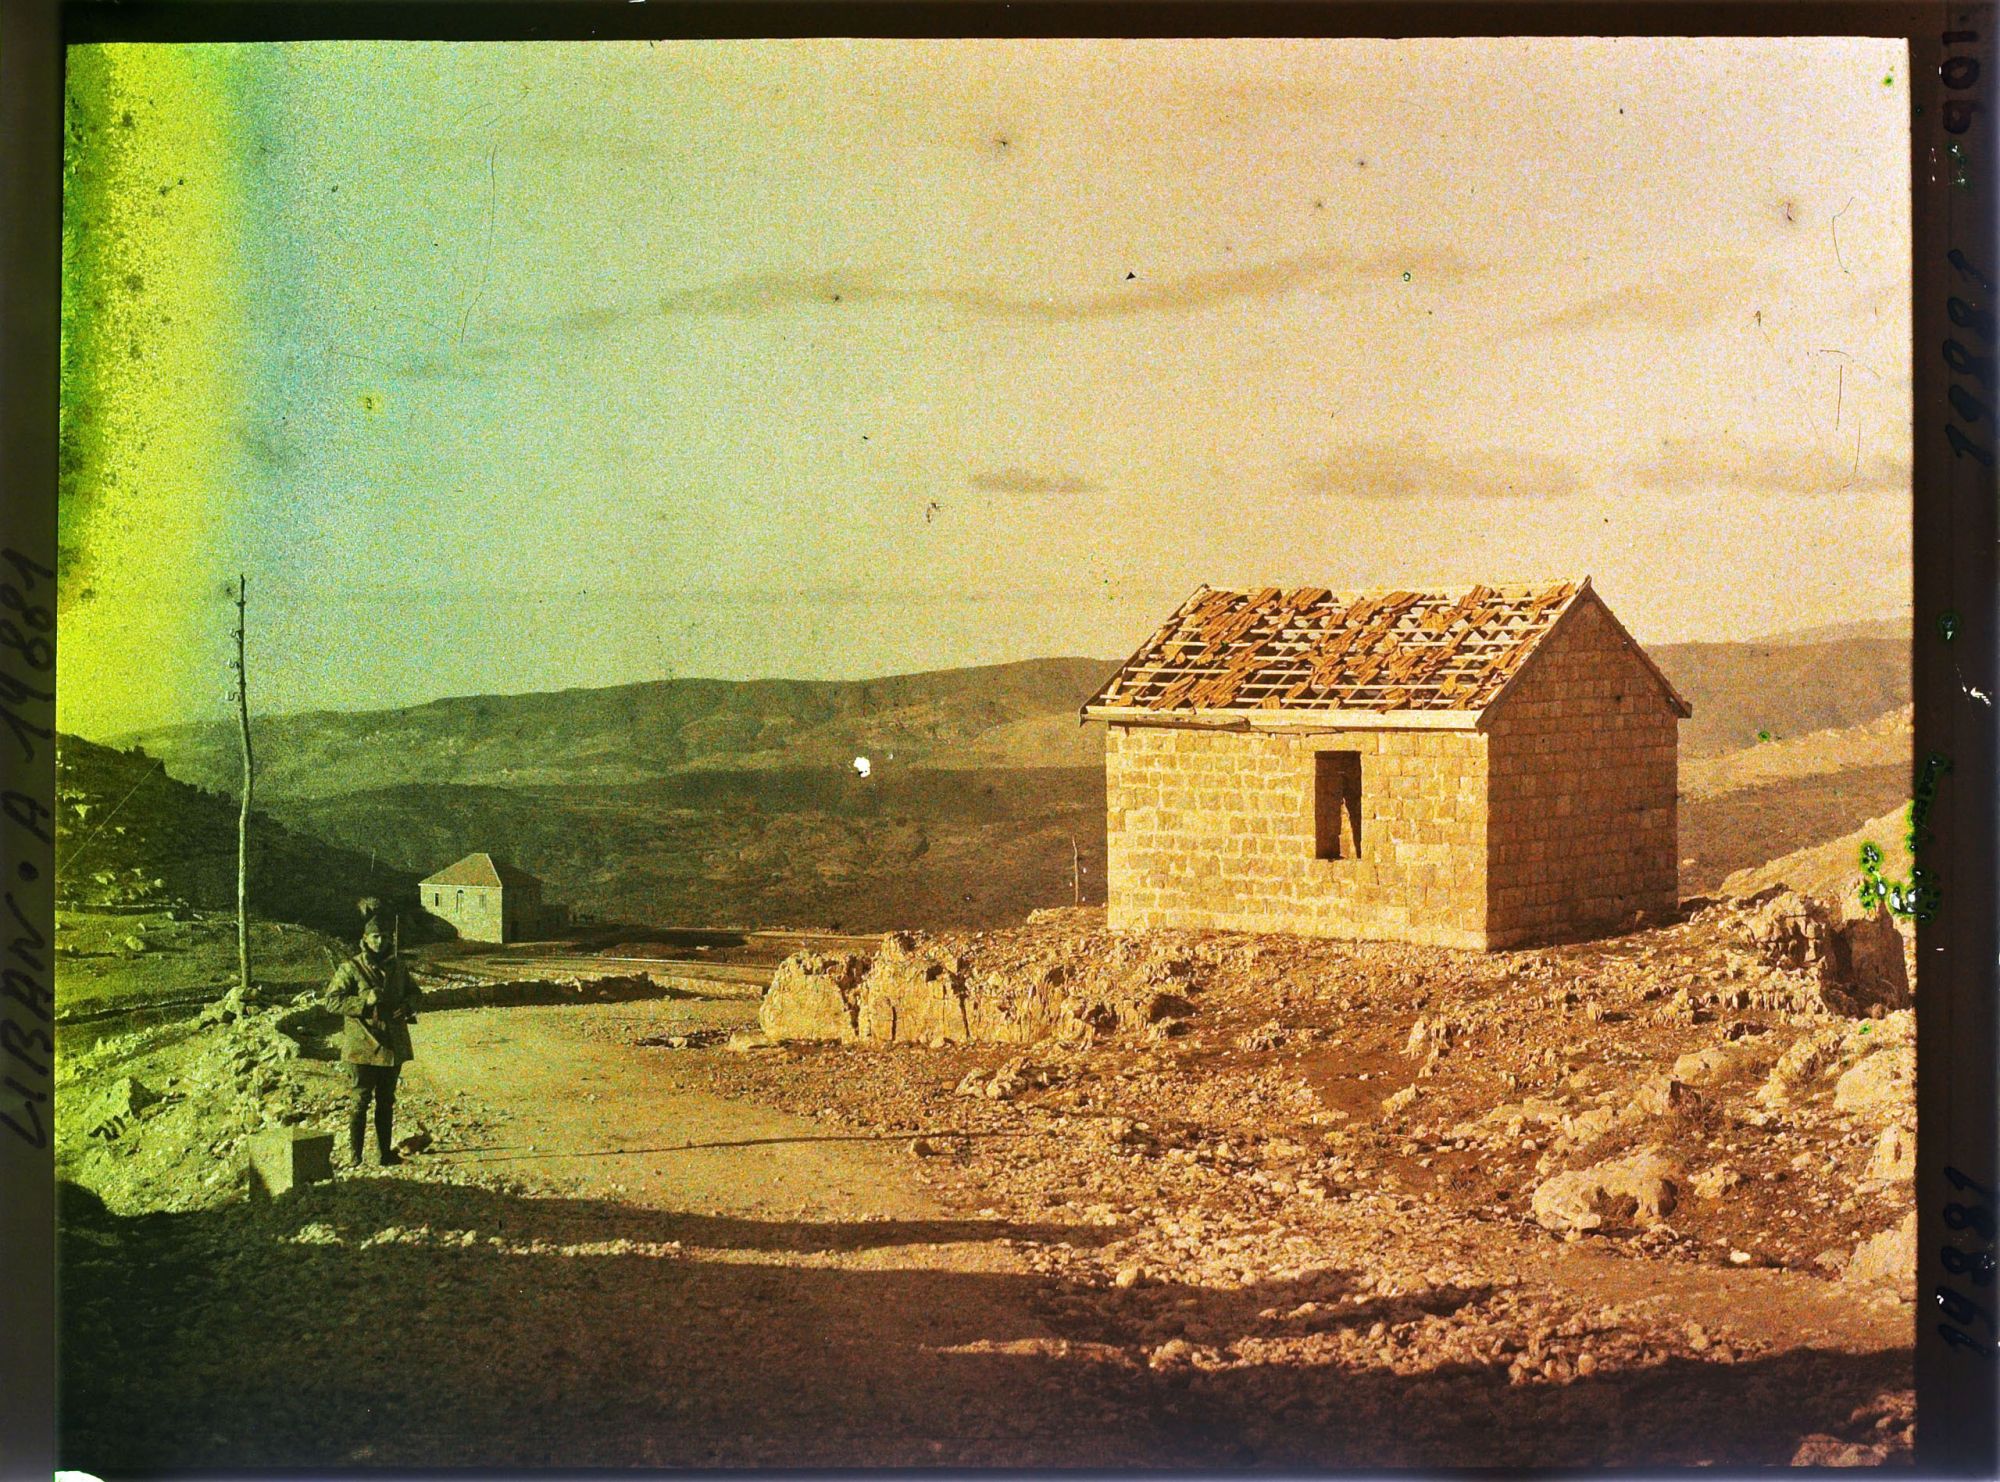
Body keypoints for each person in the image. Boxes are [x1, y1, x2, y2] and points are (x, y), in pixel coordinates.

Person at [325, 910, 423, 1168]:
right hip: (362, 1046)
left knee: (386, 1101)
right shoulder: (350, 968)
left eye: (385, 937)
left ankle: (384, 1155)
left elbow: (416, 993)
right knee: (360, 1101)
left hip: (392, 1045)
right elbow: (331, 1001)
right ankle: (355, 1156)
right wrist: (363, 1002)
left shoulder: (398, 967)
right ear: (365, 939)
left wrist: (408, 1005)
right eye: (376, 937)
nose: (381, 942)